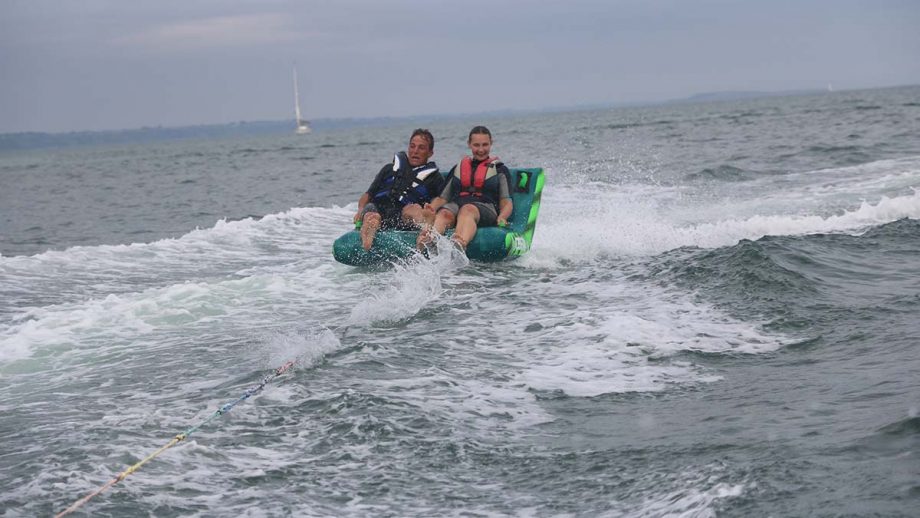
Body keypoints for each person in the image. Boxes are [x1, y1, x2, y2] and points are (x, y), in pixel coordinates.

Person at [418, 126, 512, 251]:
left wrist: (502, 217)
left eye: (485, 145)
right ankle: (430, 239)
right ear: (469, 144)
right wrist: (431, 208)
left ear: (491, 143)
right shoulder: (458, 168)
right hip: (458, 204)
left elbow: (506, 201)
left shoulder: (500, 170)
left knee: (467, 209)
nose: (481, 150)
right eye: (476, 145)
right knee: (444, 213)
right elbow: (442, 198)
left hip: (485, 207)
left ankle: (460, 242)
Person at [354, 129, 443, 250]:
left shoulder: (435, 178)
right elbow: (367, 195)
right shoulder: (388, 169)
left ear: (430, 153)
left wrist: (430, 209)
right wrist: (360, 210)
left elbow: (440, 200)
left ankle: (425, 226)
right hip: (379, 211)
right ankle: (367, 245)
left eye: (421, 148)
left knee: (413, 209)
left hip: (404, 217)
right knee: (371, 214)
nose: (415, 151)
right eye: (412, 146)